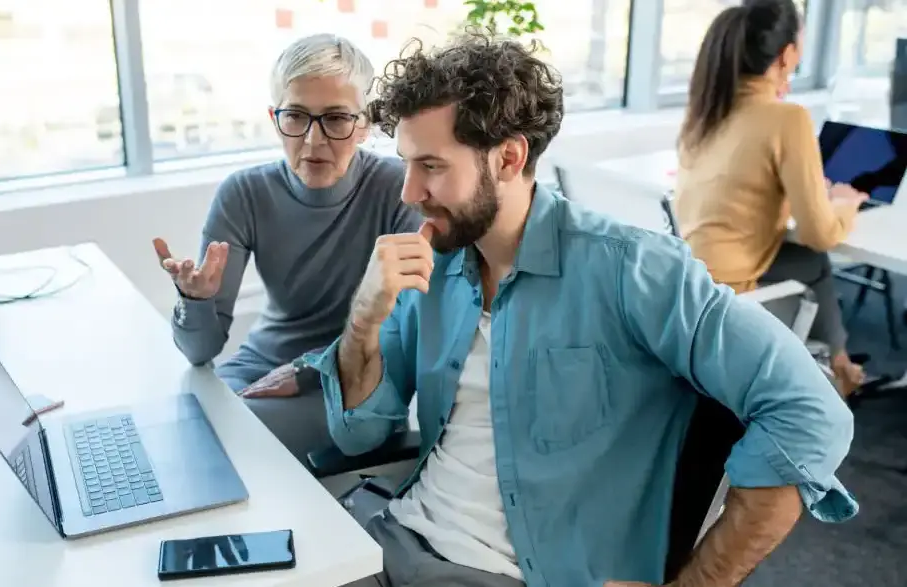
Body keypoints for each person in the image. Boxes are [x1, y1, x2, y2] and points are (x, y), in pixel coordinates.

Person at [303, 33, 858, 587]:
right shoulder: (436, 263)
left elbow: (812, 415)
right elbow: (358, 437)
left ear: (509, 157)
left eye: (431, 166)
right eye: (406, 163)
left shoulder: (631, 271)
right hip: (388, 540)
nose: (409, 191)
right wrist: (365, 318)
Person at [153, 34, 420, 467]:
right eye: (295, 116)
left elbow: (405, 333)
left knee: (225, 439)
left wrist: (309, 369)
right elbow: (200, 351)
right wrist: (195, 301)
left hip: (354, 376)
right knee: (180, 420)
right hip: (264, 358)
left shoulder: (398, 189)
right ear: (274, 117)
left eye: (335, 119)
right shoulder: (244, 193)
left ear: (366, 123)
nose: (313, 142)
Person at [671, 0, 870, 398]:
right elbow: (819, 232)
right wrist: (845, 203)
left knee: (807, 261)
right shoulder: (787, 119)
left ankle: (840, 364)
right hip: (732, 288)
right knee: (816, 257)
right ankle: (838, 372)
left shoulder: (706, 111)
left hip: (688, 279)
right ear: (788, 54)